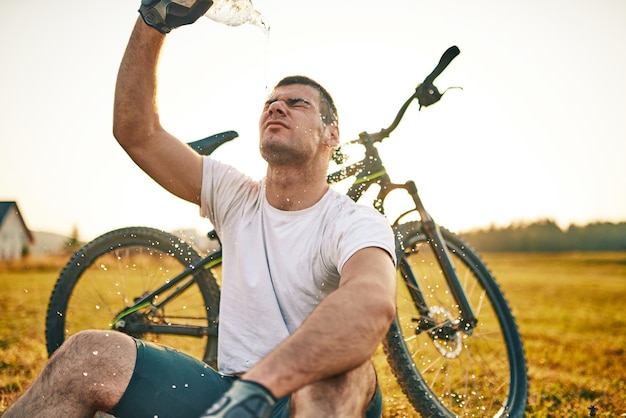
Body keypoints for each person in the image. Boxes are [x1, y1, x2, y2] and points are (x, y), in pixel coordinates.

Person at [4, 1, 397, 417]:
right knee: (88, 354)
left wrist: (265, 385)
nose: (276, 107)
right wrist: (154, 21)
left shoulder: (354, 222)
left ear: (331, 134)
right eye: (270, 102)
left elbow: (371, 302)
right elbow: (136, 131)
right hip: (228, 394)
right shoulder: (234, 195)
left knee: (340, 374)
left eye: (297, 103)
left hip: (303, 395)